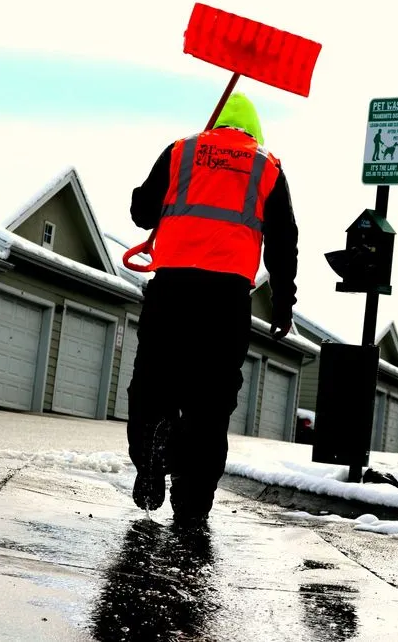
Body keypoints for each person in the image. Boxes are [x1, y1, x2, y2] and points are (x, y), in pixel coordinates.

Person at [126, 92, 299, 528]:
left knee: (153, 384)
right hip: (226, 303)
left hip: (171, 292)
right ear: (254, 132)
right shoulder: (268, 168)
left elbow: (141, 212)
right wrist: (282, 303)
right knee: (211, 402)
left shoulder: (181, 151)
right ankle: (192, 504)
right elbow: (283, 243)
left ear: (214, 125)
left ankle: (151, 457)